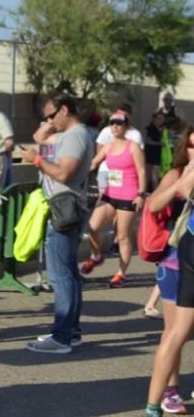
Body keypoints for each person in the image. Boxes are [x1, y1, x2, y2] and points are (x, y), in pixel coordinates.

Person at [21, 92, 94, 354]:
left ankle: (62, 337)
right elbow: (39, 138)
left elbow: (64, 173)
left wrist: (37, 160)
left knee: (61, 276)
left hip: (64, 209)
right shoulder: (67, 135)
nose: (48, 121)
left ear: (65, 110)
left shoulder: (76, 136)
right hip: (65, 208)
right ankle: (70, 332)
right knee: (69, 275)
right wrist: (49, 123)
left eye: (52, 115)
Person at [143, 125, 194, 417]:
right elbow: (153, 205)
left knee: (183, 331)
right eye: (191, 146)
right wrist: (178, 185)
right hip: (175, 262)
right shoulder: (176, 174)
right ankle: (169, 391)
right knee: (174, 332)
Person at [81, 109, 146, 287]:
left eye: (119, 123)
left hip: (128, 195)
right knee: (93, 226)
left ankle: (121, 273)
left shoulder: (133, 146)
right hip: (109, 194)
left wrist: (141, 194)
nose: (115, 126)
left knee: (123, 236)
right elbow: (94, 162)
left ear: (126, 126)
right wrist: (78, 173)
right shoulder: (108, 146)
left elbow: (141, 171)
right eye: (112, 123)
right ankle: (96, 256)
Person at [146, 112, 167, 191]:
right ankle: (147, 192)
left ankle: (154, 193)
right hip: (150, 154)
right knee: (150, 176)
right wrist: (159, 144)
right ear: (154, 119)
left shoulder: (161, 129)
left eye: (162, 119)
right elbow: (148, 141)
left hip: (157, 154)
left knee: (155, 176)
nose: (161, 121)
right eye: (159, 119)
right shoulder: (151, 128)